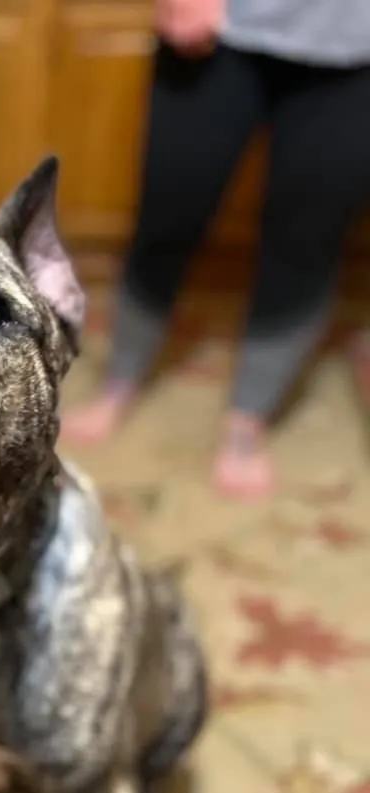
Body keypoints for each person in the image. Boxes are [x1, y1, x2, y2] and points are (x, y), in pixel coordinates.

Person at [61, 0, 370, 498]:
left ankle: (246, 424)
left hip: (356, 55)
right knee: (167, 218)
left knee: (306, 243)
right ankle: (118, 384)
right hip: (220, 34)